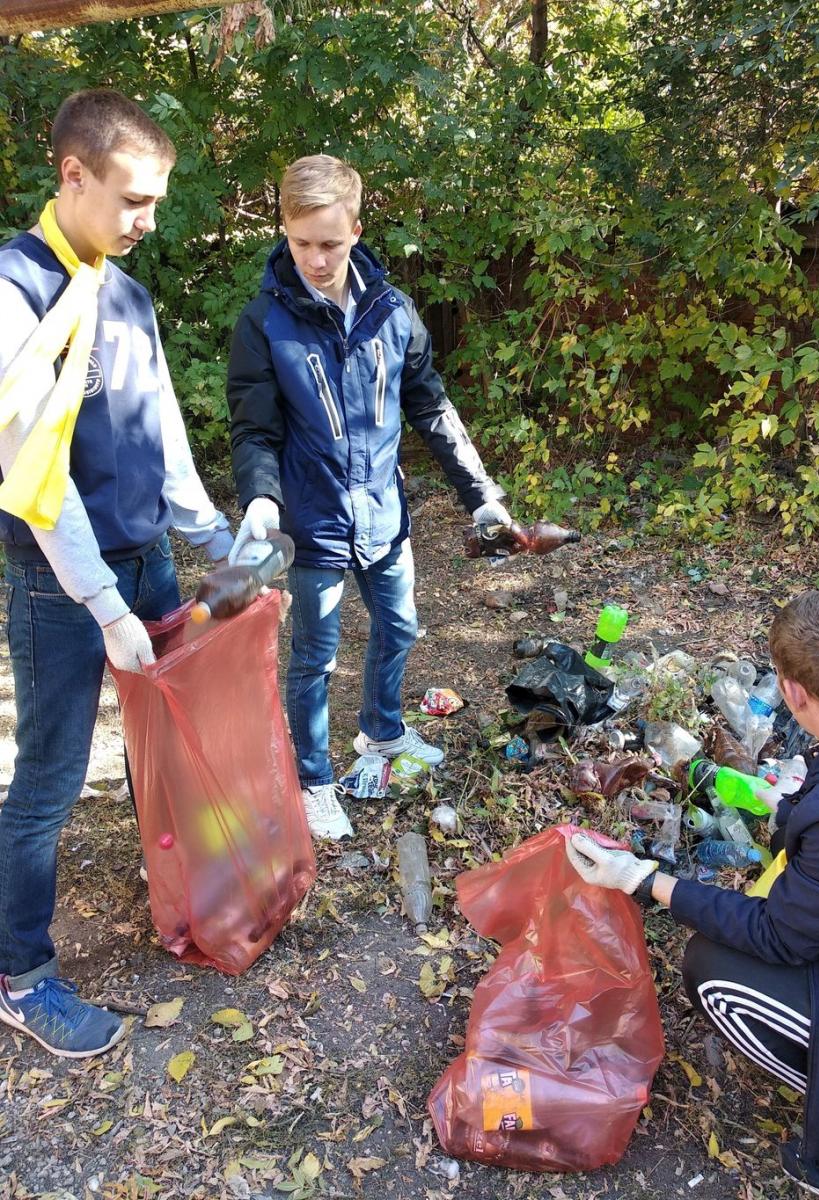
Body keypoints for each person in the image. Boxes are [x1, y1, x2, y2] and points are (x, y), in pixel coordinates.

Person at [0, 90, 233, 1058]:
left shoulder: (125, 289)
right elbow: (33, 474)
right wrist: (100, 603)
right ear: (73, 175)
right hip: (62, 582)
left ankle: (174, 890)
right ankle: (20, 975)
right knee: (51, 778)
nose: (148, 221)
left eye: (157, 202)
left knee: (160, 749)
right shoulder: (16, 293)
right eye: (133, 200)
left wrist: (216, 537)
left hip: (149, 557)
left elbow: (162, 431)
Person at [566, 590, 819, 1199]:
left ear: (794, 692)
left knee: (714, 969)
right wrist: (780, 805)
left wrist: (642, 880)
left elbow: (777, 934)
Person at [227, 155, 513, 840]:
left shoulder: (393, 312)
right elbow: (254, 428)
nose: (316, 259)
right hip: (314, 520)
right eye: (301, 244)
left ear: (356, 228)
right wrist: (261, 500)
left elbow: (431, 407)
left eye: (329, 243)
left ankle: (383, 734)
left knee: (400, 626)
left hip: (384, 514)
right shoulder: (265, 322)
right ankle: (313, 779)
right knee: (314, 658)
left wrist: (480, 494)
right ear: (285, 232)